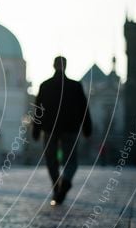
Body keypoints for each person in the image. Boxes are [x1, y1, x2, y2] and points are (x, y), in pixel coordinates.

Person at [32, 56, 92, 205]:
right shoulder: (75, 86)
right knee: (71, 161)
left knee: (51, 160)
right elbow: (84, 108)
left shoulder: (45, 85)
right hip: (70, 129)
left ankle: (56, 186)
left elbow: (39, 111)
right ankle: (65, 183)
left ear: (53, 66)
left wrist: (36, 130)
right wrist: (87, 127)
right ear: (65, 66)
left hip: (50, 129)